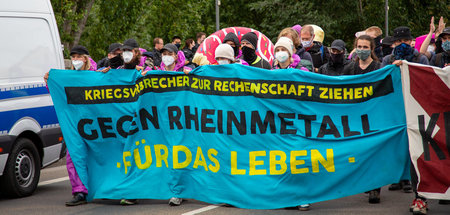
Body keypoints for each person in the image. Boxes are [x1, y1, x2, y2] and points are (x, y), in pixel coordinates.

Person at [65, 45, 95, 206]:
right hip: (75, 125)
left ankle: (106, 189)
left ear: (85, 58)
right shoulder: (67, 76)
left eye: (78, 57)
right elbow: (58, 92)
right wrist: (49, 80)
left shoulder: (95, 75)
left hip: (96, 125)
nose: (75, 60)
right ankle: (79, 191)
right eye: (73, 57)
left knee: (101, 156)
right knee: (74, 158)